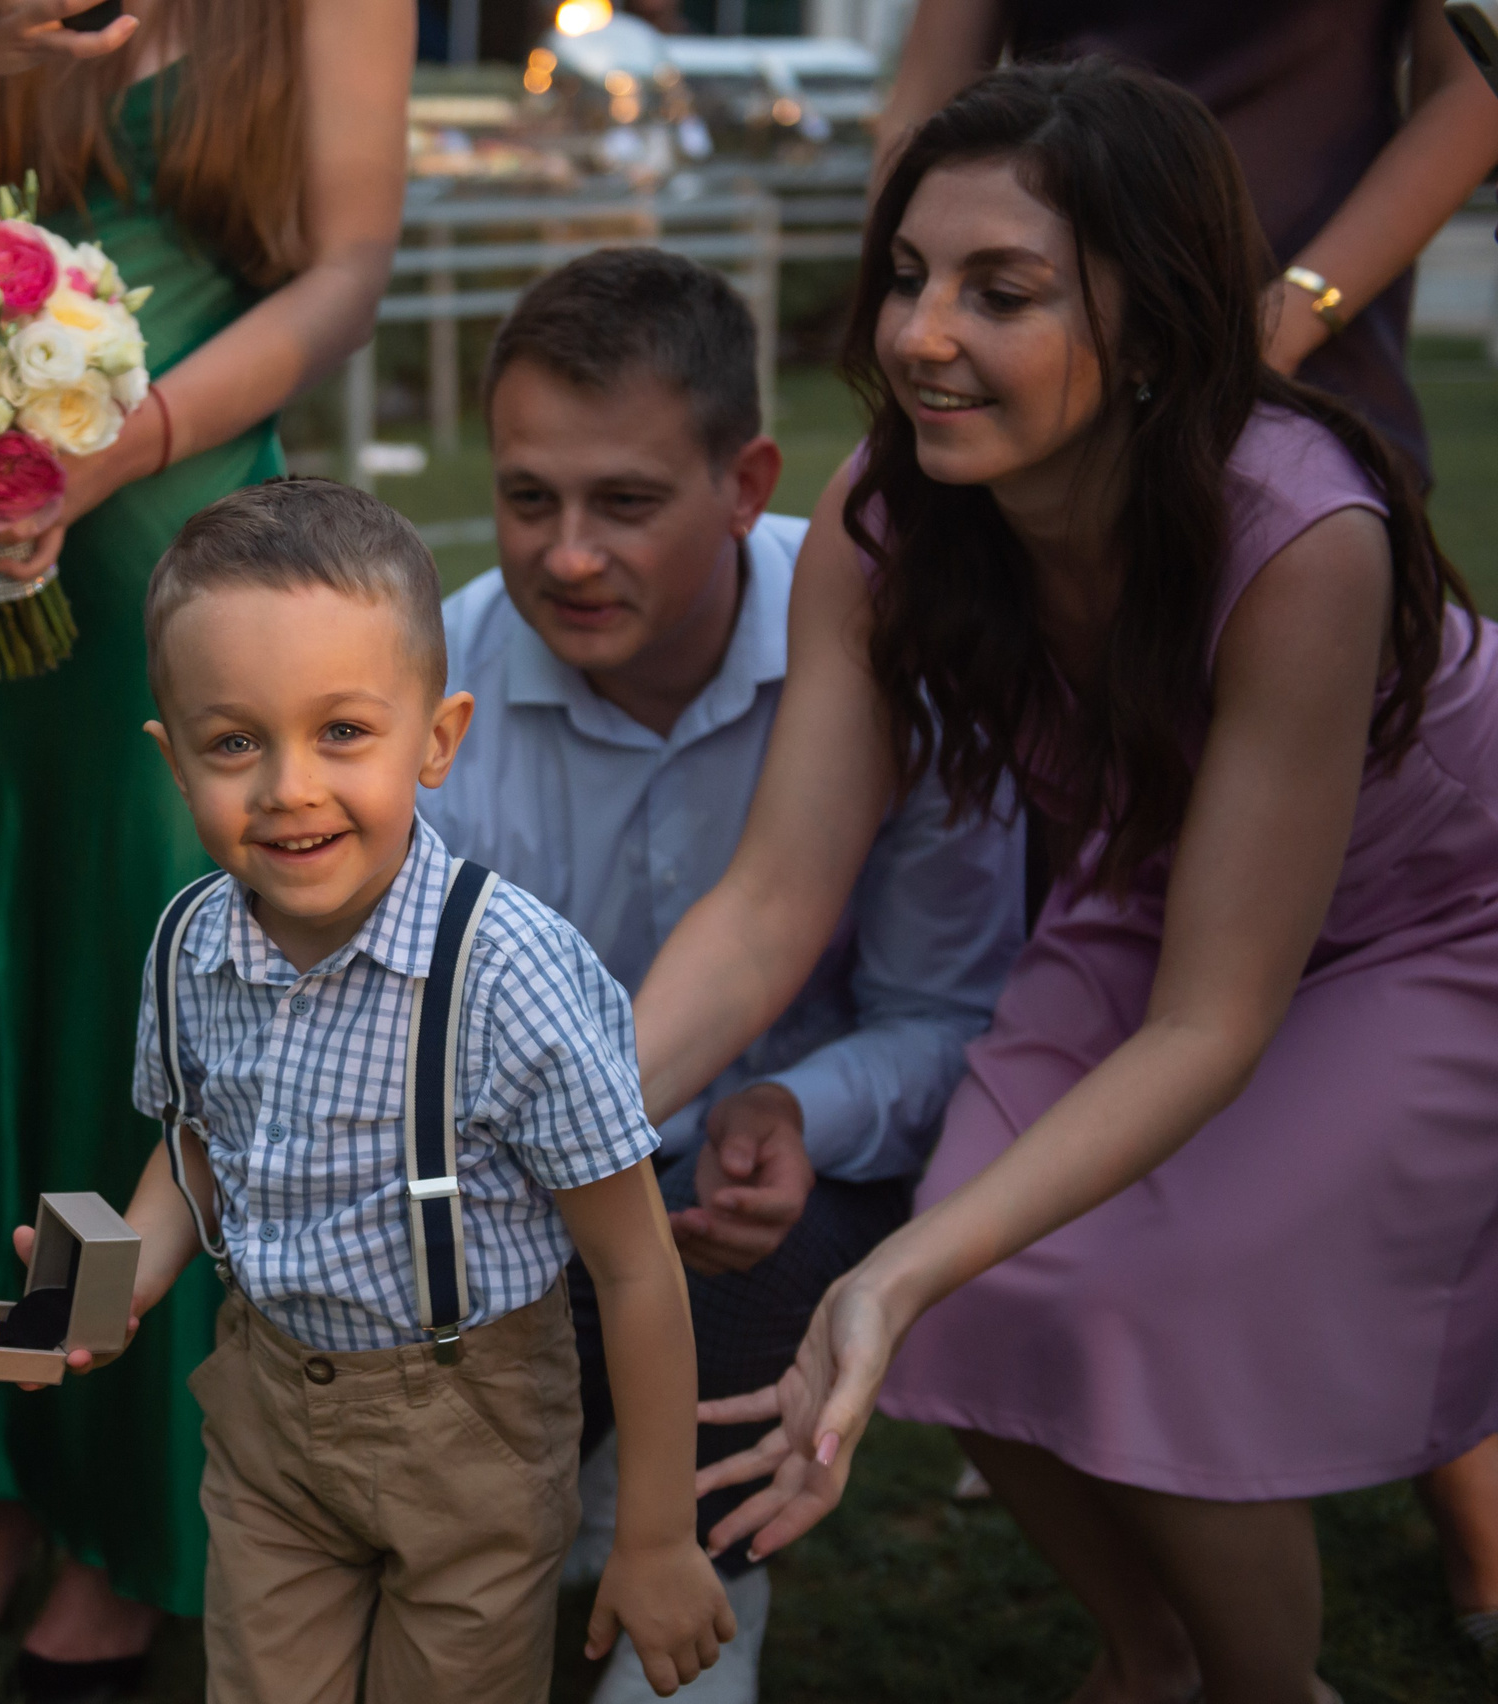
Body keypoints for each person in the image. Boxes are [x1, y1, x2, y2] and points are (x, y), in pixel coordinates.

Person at [623, 62, 1498, 1703]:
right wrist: (557, 1120)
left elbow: (1212, 1022)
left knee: (1147, 1296)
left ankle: (1263, 1684)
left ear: (1154, 330)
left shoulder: (1305, 535)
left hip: (1436, 916)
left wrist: (891, 1262)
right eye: (908, 275)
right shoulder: (884, 517)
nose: (919, 334)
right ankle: (1147, 1651)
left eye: (999, 291)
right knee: (975, 1281)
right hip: (1155, 873)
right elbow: (769, 900)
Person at [0, 1, 411, 1694]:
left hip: (163, 536)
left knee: (117, 1028)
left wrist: (131, 442)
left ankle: (121, 1517)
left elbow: (343, 272)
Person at [418, 247, 1023, 1702]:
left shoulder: (898, 655)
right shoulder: (431, 678)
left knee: (746, 1280)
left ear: (747, 484)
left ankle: (699, 1620)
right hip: (510, 1177)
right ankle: (496, 1539)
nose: (568, 554)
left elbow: (954, 1020)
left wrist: (809, 1112)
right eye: (527, 498)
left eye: (625, 502)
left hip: (784, 1187)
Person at [93, 475, 733, 1702]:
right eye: (236, 742)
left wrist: (653, 1536)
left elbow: (637, 1266)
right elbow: (194, 1154)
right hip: (269, 1416)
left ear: (435, 739)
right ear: (174, 762)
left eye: (342, 731)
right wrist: (105, 1280)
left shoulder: (509, 977)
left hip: (472, 1431)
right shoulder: (189, 945)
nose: (289, 787)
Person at [877, 0, 1498, 484]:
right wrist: (924, 300)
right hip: (1057, 348)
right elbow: (927, 101)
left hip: (1304, 354)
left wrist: (1285, 322)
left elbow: (1472, 92)